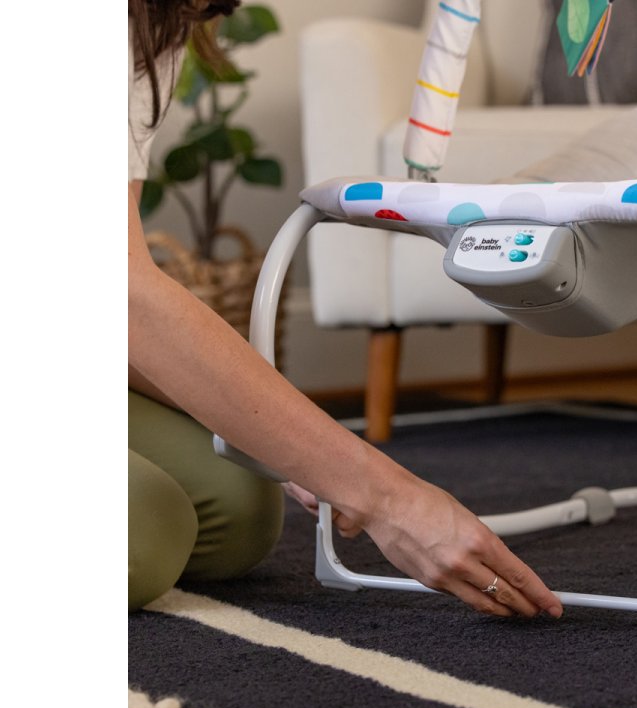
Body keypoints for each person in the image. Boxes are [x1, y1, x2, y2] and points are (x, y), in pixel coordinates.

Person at [127, 0, 562, 620]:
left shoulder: (154, 21)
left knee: (237, 512)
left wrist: (281, 436)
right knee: (146, 537)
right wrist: (392, 500)